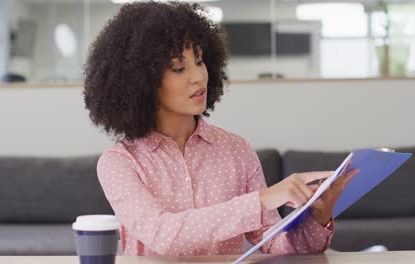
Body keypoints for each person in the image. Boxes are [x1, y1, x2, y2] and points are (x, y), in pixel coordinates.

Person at [83, 1, 359, 256]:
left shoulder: (236, 150)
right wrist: (262, 200)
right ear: (141, 81)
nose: (198, 76)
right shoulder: (120, 163)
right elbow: (162, 234)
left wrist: (318, 218)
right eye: (179, 68)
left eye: (200, 61)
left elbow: (274, 244)